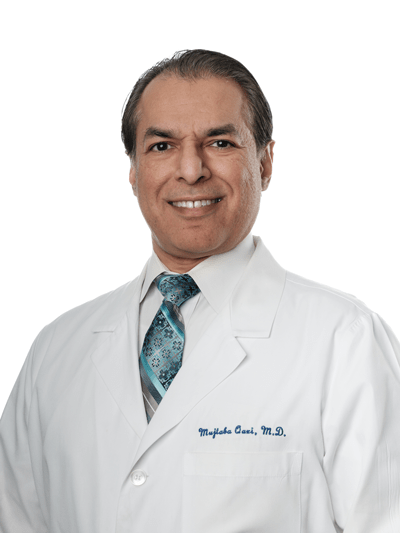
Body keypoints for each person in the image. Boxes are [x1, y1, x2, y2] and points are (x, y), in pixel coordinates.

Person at [0, 49, 399, 533]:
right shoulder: (55, 351)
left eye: (220, 142)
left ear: (265, 162)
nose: (191, 170)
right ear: (133, 171)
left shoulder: (345, 342)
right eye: (161, 146)